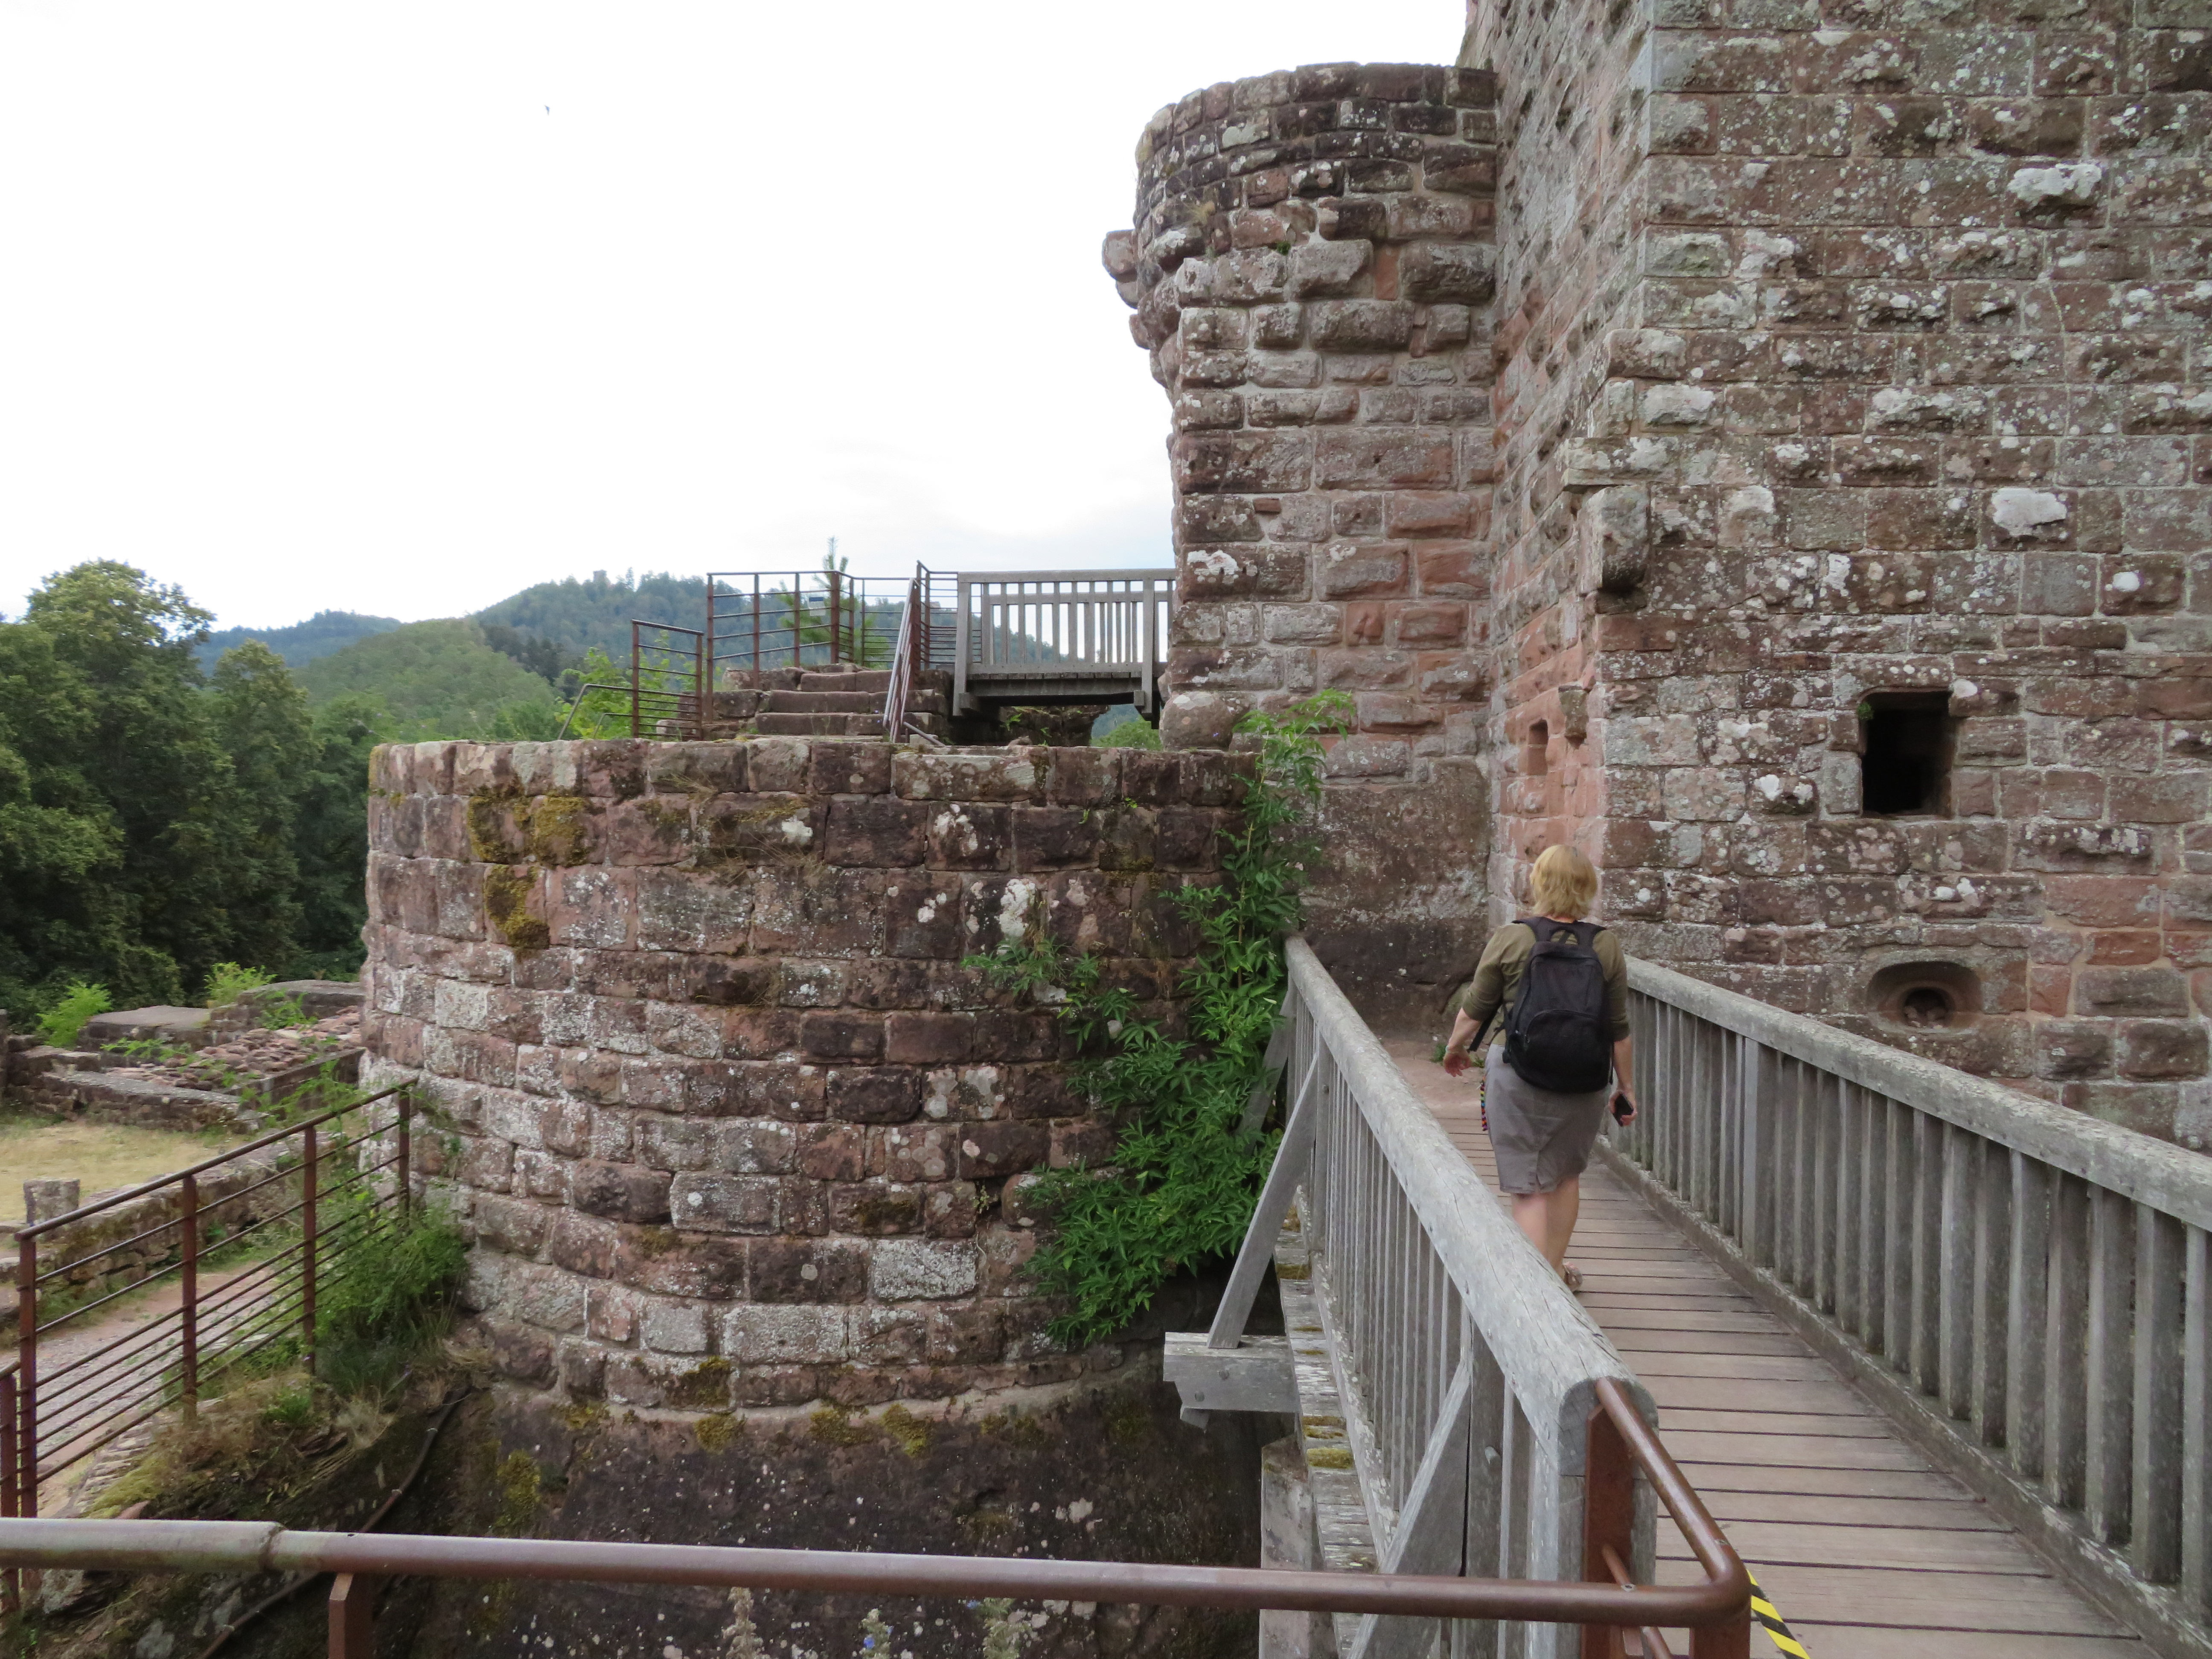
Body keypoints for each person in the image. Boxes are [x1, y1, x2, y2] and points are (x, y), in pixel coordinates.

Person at [1440, 845, 1636, 1293]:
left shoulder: (1513, 937)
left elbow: (1475, 1009)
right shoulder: (1605, 944)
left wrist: (1455, 1048)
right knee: (1565, 1176)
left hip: (1518, 1070)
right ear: (1587, 887)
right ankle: (1556, 1274)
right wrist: (1626, 1088)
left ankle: (1534, 1292)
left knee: (1528, 1186)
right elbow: (1619, 1029)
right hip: (1585, 1075)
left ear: (1539, 884)